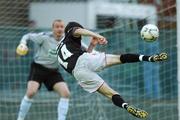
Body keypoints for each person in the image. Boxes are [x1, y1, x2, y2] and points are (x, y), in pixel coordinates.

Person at [57, 22, 168, 119]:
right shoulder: (70, 34)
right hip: (82, 60)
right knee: (120, 58)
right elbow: (77, 30)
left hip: (78, 74)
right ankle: (150, 58)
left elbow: (83, 57)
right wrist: (97, 35)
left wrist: (91, 44)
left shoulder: (61, 47)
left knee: (110, 94)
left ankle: (126, 106)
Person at [16, 19, 70, 120]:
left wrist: (93, 50)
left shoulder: (66, 40)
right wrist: (22, 43)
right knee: (31, 92)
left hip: (53, 71)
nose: (59, 29)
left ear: (64, 29)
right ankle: (20, 118)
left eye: (62, 27)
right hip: (38, 68)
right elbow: (27, 36)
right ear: (52, 28)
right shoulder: (45, 37)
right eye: (57, 26)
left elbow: (82, 46)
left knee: (66, 93)